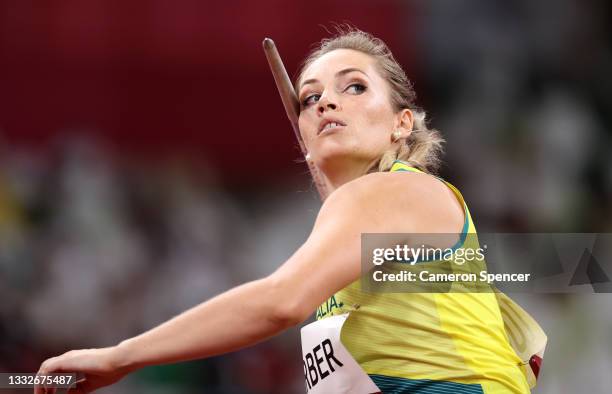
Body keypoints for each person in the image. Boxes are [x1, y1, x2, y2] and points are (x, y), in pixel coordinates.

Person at [35, 28, 541, 393]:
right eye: (310, 98)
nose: (326, 103)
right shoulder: (376, 219)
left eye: (354, 87)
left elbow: (280, 301)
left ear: (401, 124)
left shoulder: (395, 192)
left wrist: (120, 357)